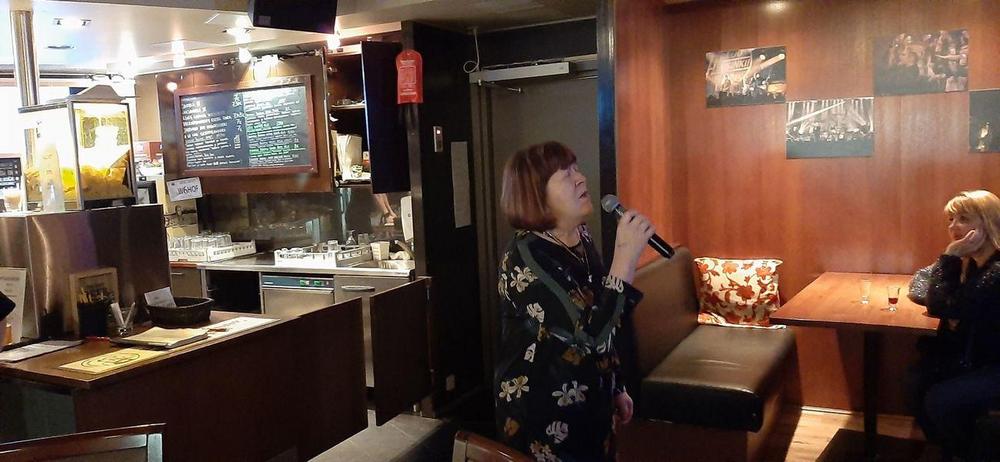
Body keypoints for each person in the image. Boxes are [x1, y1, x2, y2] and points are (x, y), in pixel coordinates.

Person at [494, 142, 655, 461]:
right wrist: (624, 257)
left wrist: (616, 384)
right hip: (545, 410)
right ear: (536, 193)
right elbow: (589, 337)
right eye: (565, 175)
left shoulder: (580, 235)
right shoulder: (525, 257)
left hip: (591, 398)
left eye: (576, 169)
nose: (581, 178)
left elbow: (601, 311)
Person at [910, 190, 1000, 460]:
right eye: (950, 219)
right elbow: (930, 290)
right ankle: (956, 450)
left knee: (939, 400)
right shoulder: (973, 264)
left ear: (988, 223)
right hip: (976, 357)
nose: (953, 226)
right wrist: (949, 301)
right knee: (915, 380)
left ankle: (966, 453)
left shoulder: (996, 270)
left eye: (964, 218)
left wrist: (950, 254)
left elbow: (941, 305)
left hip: (994, 365)